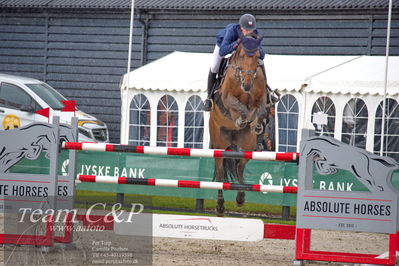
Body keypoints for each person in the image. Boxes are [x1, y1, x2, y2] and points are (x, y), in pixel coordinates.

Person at [204, 13, 267, 111]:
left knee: (260, 62)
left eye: (251, 30)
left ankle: (266, 91)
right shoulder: (232, 31)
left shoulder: (255, 34)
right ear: (241, 28)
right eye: (246, 30)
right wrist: (237, 42)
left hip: (242, 52)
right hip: (225, 46)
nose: (248, 32)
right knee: (214, 66)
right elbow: (223, 51)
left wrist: (256, 45)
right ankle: (209, 97)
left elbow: (262, 55)